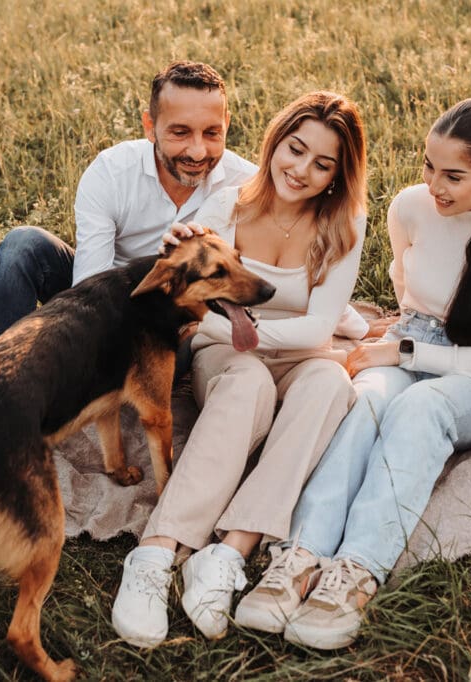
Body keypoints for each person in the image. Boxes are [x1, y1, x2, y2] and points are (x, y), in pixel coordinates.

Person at [235, 98, 471, 650]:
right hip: (411, 340)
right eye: (429, 166)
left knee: (418, 409)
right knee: (367, 400)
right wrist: (401, 349)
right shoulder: (409, 207)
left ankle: (356, 570)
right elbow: (407, 296)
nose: (435, 185)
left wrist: (404, 353)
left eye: (454, 175)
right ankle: (300, 556)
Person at [110, 91, 368, 648]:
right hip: (223, 352)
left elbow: (318, 329)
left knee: (331, 382)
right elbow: (190, 302)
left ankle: (229, 553)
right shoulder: (227, 203)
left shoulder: (346, 223)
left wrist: (247, 331)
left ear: (338, 176)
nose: (301, 170)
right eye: (295, 150)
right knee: (248, 379)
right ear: (276, 142)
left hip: (301, 354)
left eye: (322, 164)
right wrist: (233, 336)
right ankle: (156, 553)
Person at [0, 60, 256, 353]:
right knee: (23, 245)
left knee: (184, 342)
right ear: (150, 126)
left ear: (227, 123)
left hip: (184, 315)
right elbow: (89, 291)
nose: (198, 151)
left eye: (212, 133)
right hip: (108, 295)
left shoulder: (248, 184)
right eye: (180, 132)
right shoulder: (111, 173)